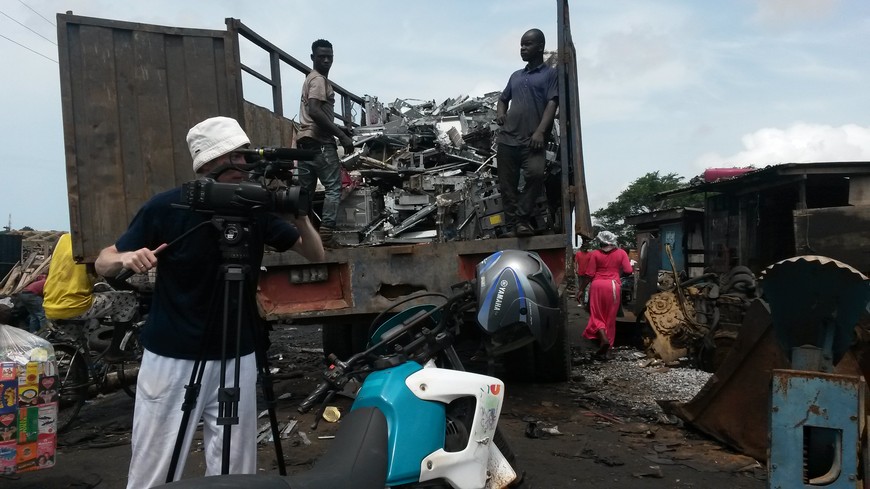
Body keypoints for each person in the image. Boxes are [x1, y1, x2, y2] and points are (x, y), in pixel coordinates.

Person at [94, 116, 325, 488]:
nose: (242, 168)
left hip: (238, 353)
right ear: (207, 165)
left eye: (244, 158)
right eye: (231, 159)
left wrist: (299, 213)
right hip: (173, 357)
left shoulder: (254, 208)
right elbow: (104, 259)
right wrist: (126, 258)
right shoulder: (167, 207)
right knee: (155, 465)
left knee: (236, 468)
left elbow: (314, 253)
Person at [496, 28, 558, 238]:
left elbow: (552, 103)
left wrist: (541, 132)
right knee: (507, 185)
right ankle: (516, 226)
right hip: (507, 139)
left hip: (532, 141)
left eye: (527, 44)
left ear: (539, 47)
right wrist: (501, 114)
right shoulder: (516, 76)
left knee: (535, 176)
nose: (522, 49)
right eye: (521, 45)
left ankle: (522, 219)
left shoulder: (549, 74)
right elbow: (503, 99)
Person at [42, 234, 139, 361]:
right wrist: (136, 290)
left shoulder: (61, 239)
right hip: (74, 305)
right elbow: (111, 278)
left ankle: (83, 373)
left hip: (50, 305)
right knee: (128, 300)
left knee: (82, 351)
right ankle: (115, 351)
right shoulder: (95, 244)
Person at [296, 38, 354, 248]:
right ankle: (326, 236)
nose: (327, 60)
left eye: (330, 56)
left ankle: (302, 236)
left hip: (304, 143)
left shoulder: (310, 79)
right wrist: (342, 136)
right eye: (322, 57)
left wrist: (340, 127)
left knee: (305, 192)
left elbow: (315, 114)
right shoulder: (319, 80)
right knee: (333, 187)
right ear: (313, 58)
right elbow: (314, 110)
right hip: (320, 142)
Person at [579, 231, 633, 359]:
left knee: (596, 315)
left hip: (597, 286)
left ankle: (603, 338)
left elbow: (589, 274)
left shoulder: (595, 254)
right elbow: (628, 270)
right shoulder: (621, 253)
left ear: (601, 241)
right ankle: (609, 350)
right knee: (610, 319)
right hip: (613, 287)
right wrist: (617, 274)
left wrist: (581, 289)